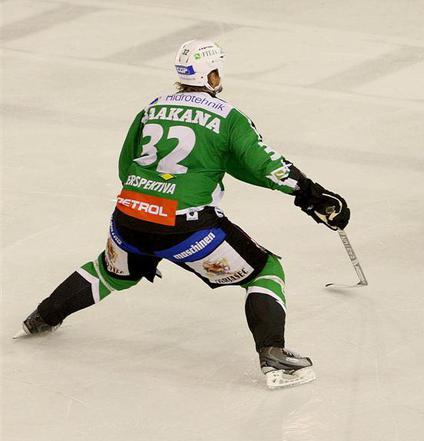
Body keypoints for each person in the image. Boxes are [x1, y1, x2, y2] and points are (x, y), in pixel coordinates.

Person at [13, 40, 350, 389]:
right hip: (186, 227)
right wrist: (311, 194)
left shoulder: (153, 108)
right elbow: (266, 164)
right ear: (212, 75)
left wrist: (151, 198)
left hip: (128, 218)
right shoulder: (228, 117)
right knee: (266, 270)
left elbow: (125, 166)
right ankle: (273, 356)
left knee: (110, 272)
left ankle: (42, 317)